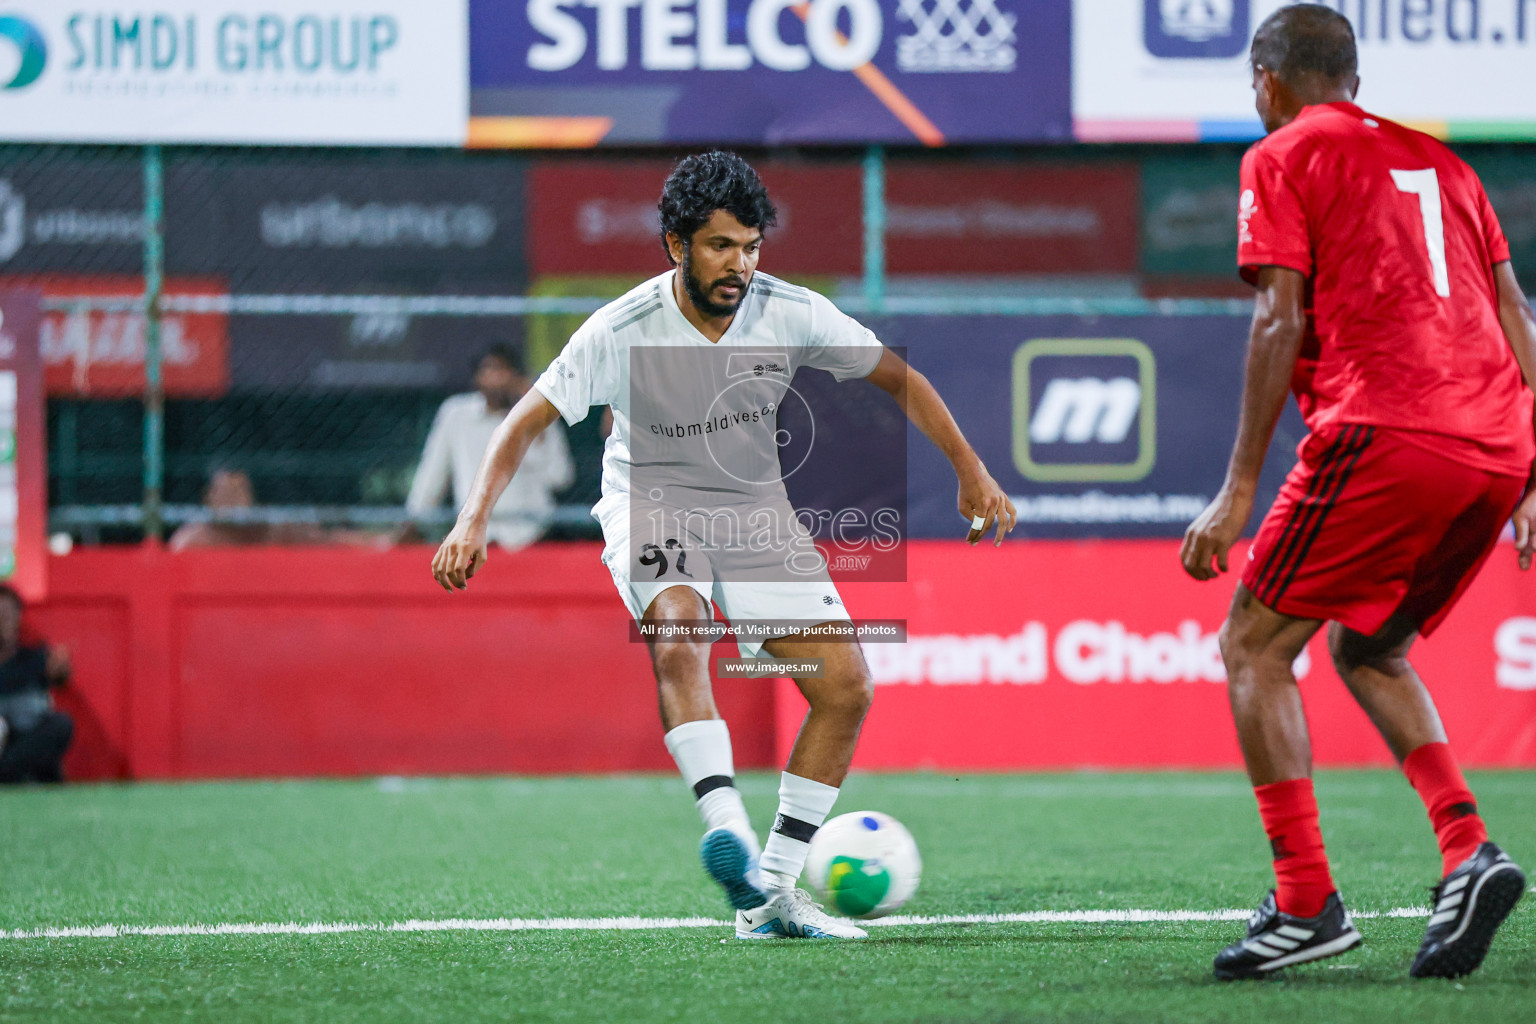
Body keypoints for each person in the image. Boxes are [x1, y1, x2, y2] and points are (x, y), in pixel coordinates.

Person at [432, 152, 1015, 940]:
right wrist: (472, 520)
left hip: (753, 512)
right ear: (676, 244)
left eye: (751, 246)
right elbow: (525, 420)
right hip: (651, 502)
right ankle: (726, 825)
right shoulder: (621, 328)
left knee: (845, 688)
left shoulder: (789, 310)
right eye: (720, 247)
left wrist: (971, 471)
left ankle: (770, 897)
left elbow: (897, 377)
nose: (740, 265)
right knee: (679, 624)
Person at [1181, 4, 1533, 981]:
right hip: (1496, 444)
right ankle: (1467, 847)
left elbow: (1276, 317)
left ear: (1268, 81)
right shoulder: (1450, 168)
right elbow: (1514, 312)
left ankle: (1304, 901)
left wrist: (1238, 486)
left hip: (1388, 428)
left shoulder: (1284, 154)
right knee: (1369, 643)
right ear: (1357, 80)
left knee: (1252, 643)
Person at [405, 343, 574, 550]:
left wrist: (535, 424)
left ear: (517, 377)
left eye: (502, 370)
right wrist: (415, 519)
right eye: (488, 370)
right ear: (476, 377)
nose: (495, 378)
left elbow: (560, 477)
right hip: (474, 537)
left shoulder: (540, 413)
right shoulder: (456, 414)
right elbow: (431, 477)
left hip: (533, 536)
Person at [0, 585, 73, 784]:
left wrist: (60, 672)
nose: (2, 621)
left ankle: (6, 774)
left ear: (18, 618)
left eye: (7, 614)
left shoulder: (35, 657)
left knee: (61, 724)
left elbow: (59, 679)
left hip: (30, 738)